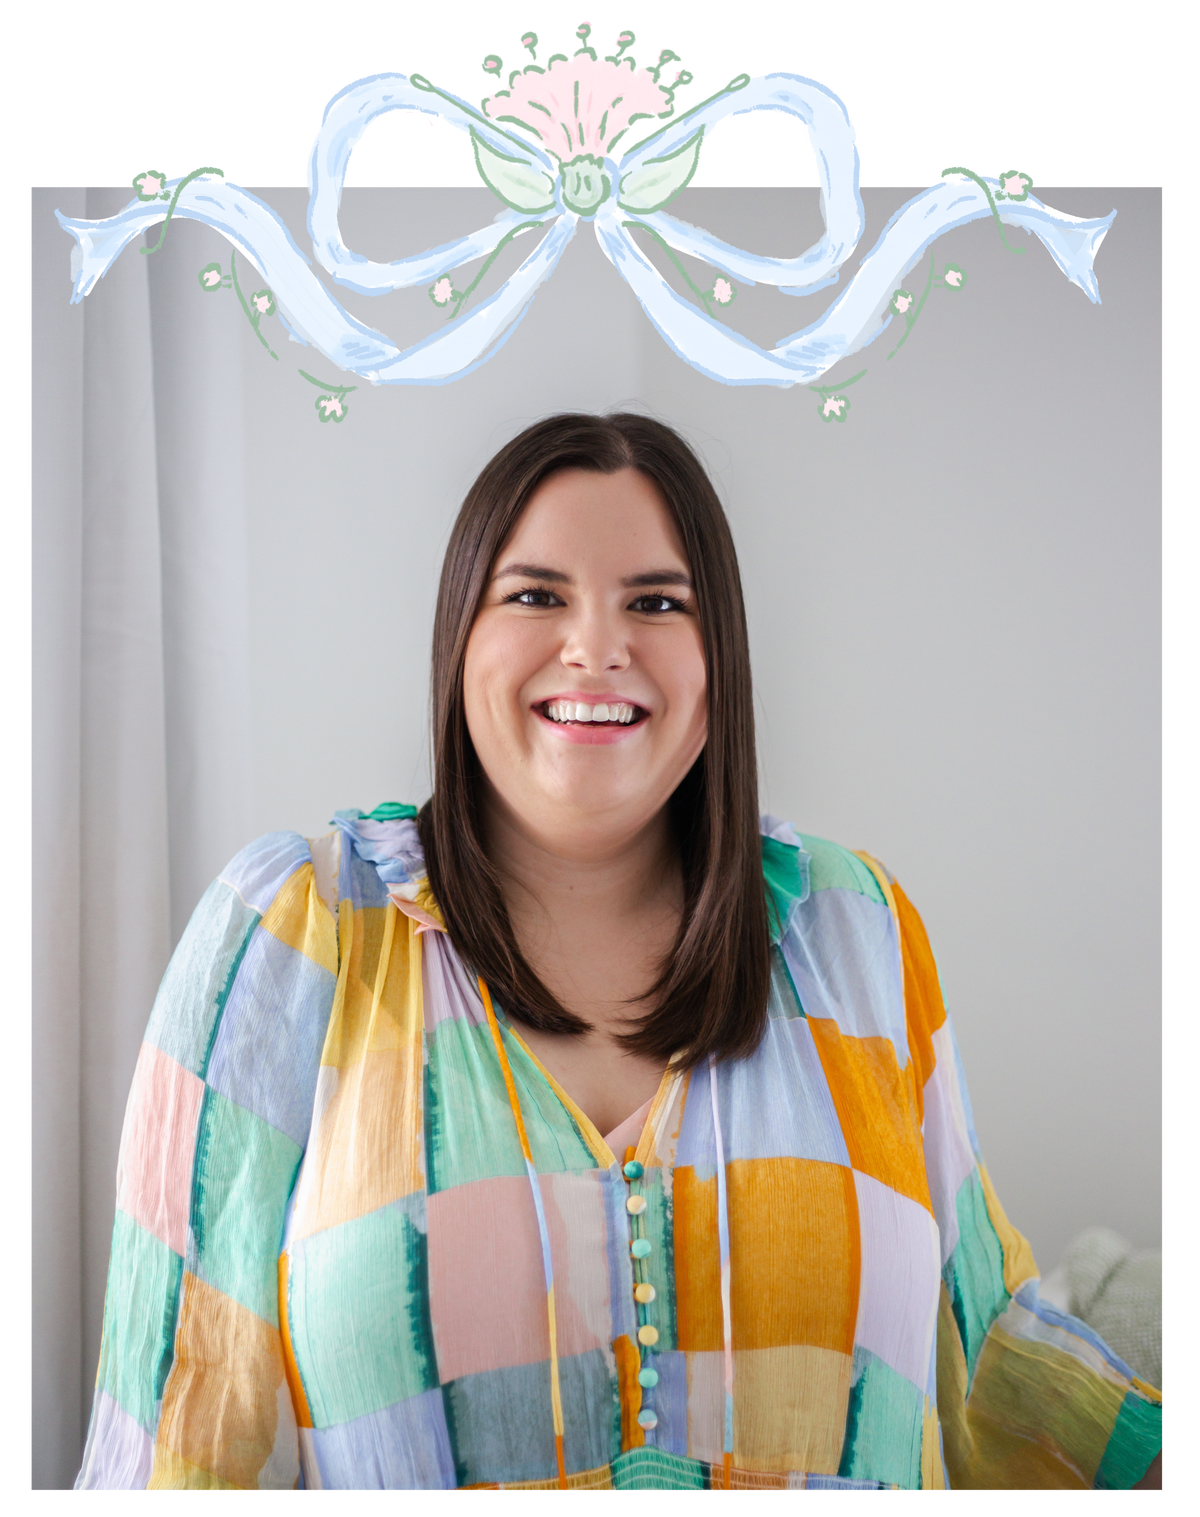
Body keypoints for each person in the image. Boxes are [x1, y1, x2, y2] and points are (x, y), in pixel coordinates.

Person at [74, 413, 1164, 1494]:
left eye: (656, 602)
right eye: (535, 595)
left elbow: (983, 1359)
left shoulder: (855, 925)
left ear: (718, 657)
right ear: (459, 639)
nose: (597, 648)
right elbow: (172, 1433)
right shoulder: (290, 930)